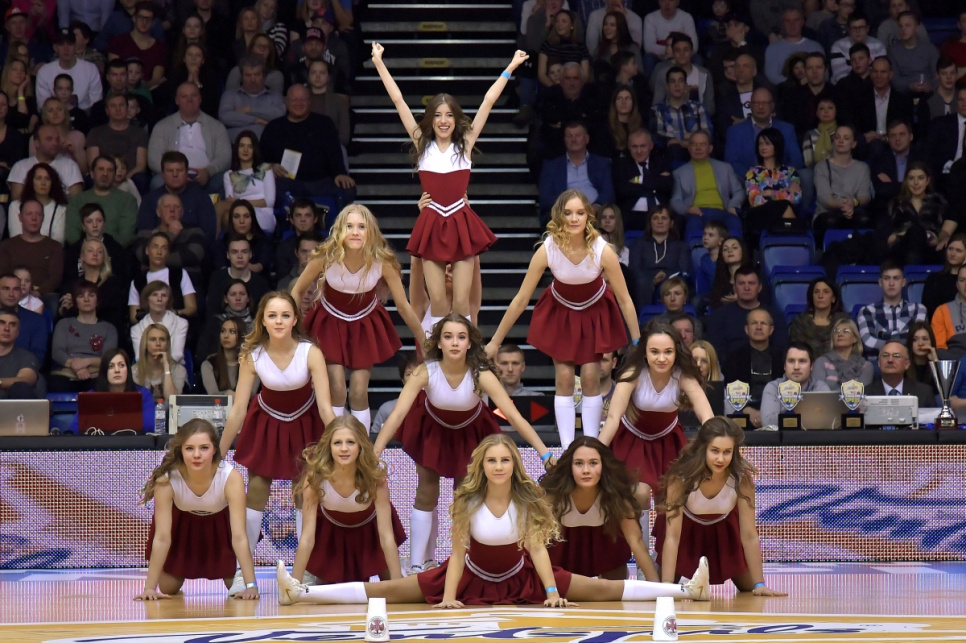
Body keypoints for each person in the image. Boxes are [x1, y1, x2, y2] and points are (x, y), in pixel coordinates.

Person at [277, 433, 711, 606]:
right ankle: (302, 593)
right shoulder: (465, 500)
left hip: (522, 577)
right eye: (492, 461)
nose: (499, 466)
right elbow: (458, 554)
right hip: (468, 576)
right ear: (481, 466)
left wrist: (552, 591)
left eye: (505, 460)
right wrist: (449, 597)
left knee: (600, 589)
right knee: (387, 592)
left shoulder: (528, 498)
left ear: (513, 465)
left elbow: (537, 549)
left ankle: (685, 589)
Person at [373, 314, 553, 573]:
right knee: (426, 491)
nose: (455, 342)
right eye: (448, 337)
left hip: (470, 433)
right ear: (439, 343)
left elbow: (513, 416)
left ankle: (465, 562)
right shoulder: (426, 371)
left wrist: (544, 453)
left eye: (461, 337)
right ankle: (416, 563)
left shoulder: (481, 374)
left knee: (465, 496)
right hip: (433, 430)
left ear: (469, 343)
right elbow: (398, 413)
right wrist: (375, 451)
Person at [371, 43, 520, 323]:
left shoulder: (465, 144)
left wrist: (509, 68)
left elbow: (488, 101)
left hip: (460, 220)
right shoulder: (422, 144)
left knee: (461, 302)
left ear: (456, 118)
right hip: (432, 222)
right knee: (438, 301)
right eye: (438, 115)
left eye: (449, 115)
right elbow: (398, 100)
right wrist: (379, 62)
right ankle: (438, 349)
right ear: (430, 119)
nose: (443, 120)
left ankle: (462, 348)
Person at [486, 190, 639, 447]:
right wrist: (495, 341)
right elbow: (521, 299)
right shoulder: (548, 249)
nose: (574, 218)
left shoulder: (602, 250)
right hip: (562, 313)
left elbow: (625, 300)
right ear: (559, 215)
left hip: (594, 312)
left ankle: (591, 444)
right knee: (565, 378)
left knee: (590, 377)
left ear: (588, 216)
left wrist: (637, 342)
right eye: (568, 213)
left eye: (580, 212)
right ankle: (568, 448)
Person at [218, 291, 335, 594]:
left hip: (305, 422)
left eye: (285, 315)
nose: (279, 321)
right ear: (263, 320)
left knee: (305, 493)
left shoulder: (311, 352)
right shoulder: (252, 355)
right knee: (256, 489)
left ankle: (305, 570)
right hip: (266, 423)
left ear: (295, 319)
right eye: (272, 316)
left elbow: (326, 409)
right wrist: (218, 454)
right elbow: (238, 410)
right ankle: (243, 571)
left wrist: (342, 443)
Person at [291, 204, 424, 430]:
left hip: (364, 324)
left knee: (359, 391)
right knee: (337, 388)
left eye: (361, 227)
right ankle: (334, 440)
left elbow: (403, 306)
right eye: (349, 226)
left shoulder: (383, 262)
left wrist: (424, 338)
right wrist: (293, 328)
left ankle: (361, 444)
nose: (355, 232)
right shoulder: (324, 257)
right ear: (339, 230)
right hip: (330, 322)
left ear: (370, 231)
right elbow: (296, 291)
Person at [655, 417, 787, 595]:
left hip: (723, 531)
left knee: (748, 586)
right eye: (715, 451)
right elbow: (672, 536)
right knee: (663, 584)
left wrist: (759, 584)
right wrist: (666, 586)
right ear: (703, 448)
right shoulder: (681, 478)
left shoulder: (741, 479)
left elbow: (749, 535)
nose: (720, 458)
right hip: (686, 533)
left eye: (727, 452)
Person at [136, 419, 258, 601]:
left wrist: (251, 585)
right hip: (183, 526)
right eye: (189, 448)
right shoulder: (167, 479)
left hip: (220, 526)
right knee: (167, 587)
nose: (197, 455)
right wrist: (149, 588)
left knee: (235, 586)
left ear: (215, 449)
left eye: (204, 448)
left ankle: (240, 576)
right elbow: (162, 537)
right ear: (180, 450)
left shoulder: (231, 478)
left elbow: (239, 536)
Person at [598, 321, 713, 508]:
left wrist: (714, 444)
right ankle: (640, 529)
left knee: (671, 497)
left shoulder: (683, 376)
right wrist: (596, 452)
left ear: (676, 352)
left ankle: (667, 529)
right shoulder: (633, 374)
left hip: (669, 440)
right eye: (655, 352)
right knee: (639, 493)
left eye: (668, 352)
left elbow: (706, 416)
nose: (661, 358)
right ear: (645, 352)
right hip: (632, 441)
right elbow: (613, 418)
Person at [289, 415, 406, 585]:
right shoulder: (315, 479)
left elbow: (386, 536)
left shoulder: (375, 478)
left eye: (350, 442)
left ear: (360, 446)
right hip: (333, 534)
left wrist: (398, 587)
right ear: (329, 447)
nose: (344, 448)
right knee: (324, 590)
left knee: (390, 582)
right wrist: (292, 586)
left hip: (371, 533)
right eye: (337, 443)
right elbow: (307, 538)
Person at [540, 436, 659, 581]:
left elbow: (636, 542)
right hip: (563, 550)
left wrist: (658, 588)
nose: (586, 470)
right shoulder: (553, 497)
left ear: (603, 466)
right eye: (579, 463)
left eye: (593, 463)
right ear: (569, 467)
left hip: (604, 545)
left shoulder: (616, 496)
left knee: (613, 585)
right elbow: (535, 544)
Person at [147, 82, 231, 194]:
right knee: (157, 182)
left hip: (207, 177)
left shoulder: (216, 126)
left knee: (224, 180)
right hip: (173, 176)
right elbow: (153, 159)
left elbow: (225, 157)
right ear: (177, 100)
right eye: (184, 96)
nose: (189, 100)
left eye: (194, 95)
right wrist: (176, 174)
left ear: (200, 99)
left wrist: (208, 171)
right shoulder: (161, 126)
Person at [669, 130, 745, 240]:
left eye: (702, 144)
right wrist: (687, 209)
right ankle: (697, 251)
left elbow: (739, 191)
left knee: (735, 225)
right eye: (694, 144)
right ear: (689, 148)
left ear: (710, 148)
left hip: (724, 211)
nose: (698, 148)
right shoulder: (679, 172)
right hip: (697, 212)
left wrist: (733, 205)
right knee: (694, 228)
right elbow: (675, 200)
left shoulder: (725, 168)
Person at [48, 280, 118, 392]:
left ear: (98, 300)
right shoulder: (63, 324)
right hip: (65, 375)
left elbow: (108, 358)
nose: (86, 300)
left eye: (91, 295)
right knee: (57, 385)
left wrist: (86, 362)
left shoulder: (109, 328)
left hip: (96, 376)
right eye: (81, 296)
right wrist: (76, 367)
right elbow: (57, 352)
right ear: (75, 301)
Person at [720, 308, 784, 429]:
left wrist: (768, 413)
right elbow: (727, 391)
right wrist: (747, 410)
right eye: (754, 323)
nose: (759, 327)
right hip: (742, 413)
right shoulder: (733, 357)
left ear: (771, 330)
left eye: (763, 323)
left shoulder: (782, 357)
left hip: (776, 413)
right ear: (746, 329)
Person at [538, 120, 616, 218]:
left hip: (595, 214)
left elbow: (608, 192)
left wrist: (595, 207)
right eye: (569, 136)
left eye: (578, 135)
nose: (573, 139)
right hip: (564, 215)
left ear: (587, 139)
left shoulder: (602, 163)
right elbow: (546, 197)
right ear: (564, 140)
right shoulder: (551, 166)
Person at [65, 348, 154, 433]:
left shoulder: (143, 394)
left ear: (128, 370)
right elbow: (74, 429)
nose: (117, 370)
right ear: (104, 371)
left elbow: (150, 427)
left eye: (121, 365)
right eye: (111, 366)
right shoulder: (91, 397)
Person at [706, 266, 787, 357]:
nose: (746, 288)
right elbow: (715, 352)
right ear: (734, 287)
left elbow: (780, 350)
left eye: (751, 283)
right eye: (741, 283)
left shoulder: (775, 316)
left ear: (759, 287)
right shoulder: (719, 316)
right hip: (730, 364)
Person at [812, 125, 872, 246]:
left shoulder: (863, 168)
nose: (840, 140)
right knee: (830, 221)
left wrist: (853, 203)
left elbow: (865, 196)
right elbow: (825, 198)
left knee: (865, 220)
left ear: (853, 144)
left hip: (853, 211)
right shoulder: (821, 167)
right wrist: (844, 205)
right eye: (837, 137)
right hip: (827, 212)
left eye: (846, 138)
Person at [743, 127, 803, 247]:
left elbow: (796, 198)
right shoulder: (752, 173)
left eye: (767, 143)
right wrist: (785, 192)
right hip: (760, 215)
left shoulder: (790, 172)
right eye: (760, 144)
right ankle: (791, 246)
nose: (763, 147)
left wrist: (770, 193)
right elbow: (755, 201)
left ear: (777, 145)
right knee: (785, 206)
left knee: (785, 206)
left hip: (781, 214)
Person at [65, 156, 139, 249]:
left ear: (115, 174)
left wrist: (102, 251)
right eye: (101, 169)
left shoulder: (128, 200)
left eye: (110, 170)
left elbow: (126, 238)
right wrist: (91, 250)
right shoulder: (77, 200)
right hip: (82, 252)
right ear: (92, 174)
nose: (105, 174)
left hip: (116, 253)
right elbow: (72, 236)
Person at [885, 161, 951, 266]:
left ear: (927, 180)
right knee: (916, 231)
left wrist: (937, 238)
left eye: (920, 178)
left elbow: (943, 234)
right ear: (906, 181)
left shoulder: (939, 204)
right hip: (902, 251)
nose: (916, 183)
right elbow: (889, 238)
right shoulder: (896, 205)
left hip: (930, 252)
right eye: (911, 178)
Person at [857, 261, 927, 358]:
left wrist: (884, 337)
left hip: (909, 361)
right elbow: (868, 343)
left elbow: (918, 341)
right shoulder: (867, 311)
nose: (891, 283)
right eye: (886, 278)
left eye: (896, 278)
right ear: (880, 282)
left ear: (903, 282)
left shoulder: (918, 309)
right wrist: (903, 339)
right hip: (877, 363)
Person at [84, 93, 149, 193]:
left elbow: (141, 165)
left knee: (141, 178)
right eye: (113, 106)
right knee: (90, 180)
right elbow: (94, 163)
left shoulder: (140, 133)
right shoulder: (95, 133)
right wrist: (110, 178)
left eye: (121, 105)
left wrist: (123, 178)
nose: (118, 109)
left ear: (127, 108)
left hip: (130, 177)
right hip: (104, 175)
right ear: (107, 111)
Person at [648, 66, 712, 165]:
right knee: (673, 149)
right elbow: (657, 136)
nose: (677, 85)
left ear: (686, 85)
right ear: (667, 86)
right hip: (670, 155)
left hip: (697, 151)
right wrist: (686, 137)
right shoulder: (657, 110)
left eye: (680, 81)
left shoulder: (698, 108)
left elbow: (707, 133)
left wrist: (682, 141)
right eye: (673, 81)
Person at [627, 205, 689, 308]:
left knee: (677, 283)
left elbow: (684, 270)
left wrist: (666, 276)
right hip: (644, 281)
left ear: (671, 223)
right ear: (650, 222)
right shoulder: (638, 244)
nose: (660, 222)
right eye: (655, 218)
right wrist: (651, 280)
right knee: (641, 282)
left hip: (671, 279)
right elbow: (634, 269)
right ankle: (643, 317)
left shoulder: (681, 246)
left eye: (664, 218)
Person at [612, 129, 673, 230]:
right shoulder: (621, 165)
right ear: (629, 147)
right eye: (634, 146)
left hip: (661, 213)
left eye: (643, 146)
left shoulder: (661, 162)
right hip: (633, 214)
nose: (639, 151)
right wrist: (655, 185)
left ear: (651, 146)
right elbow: (623, 190)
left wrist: (640, 180)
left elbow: (667, 185)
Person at [760, 343, 832, 428]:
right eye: (791, 361)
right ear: (784, 366)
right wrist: (810, 416)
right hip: (782, 437)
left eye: (802, 361)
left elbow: (828, 421)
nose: (796, 367)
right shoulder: (773, 387)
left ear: (811, 366)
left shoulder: (820, 387)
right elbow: (768, 423)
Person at [218, 54, 286, 141]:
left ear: (264, 76)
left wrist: (249, 110)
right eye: (248, 75)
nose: (252, 80)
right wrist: (257, 120)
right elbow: (224, 116)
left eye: (257, 74)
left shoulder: (275, 96)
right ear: (241, 77)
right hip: (234, 145)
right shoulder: (230, 95)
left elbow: (280, 114)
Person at [35, 28, 102, 111]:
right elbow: (43, 106)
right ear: (55, 47)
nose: (66, 48)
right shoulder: (44, 72)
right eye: (61, 44)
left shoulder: (91, 69)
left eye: (70, 44)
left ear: (75, 46)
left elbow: (96, 104)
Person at [107, 2, 168, 91]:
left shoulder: (160, 48)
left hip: (148, 92)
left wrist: (140, 88)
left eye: (148, 19)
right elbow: (114, 72)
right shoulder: (118, 42)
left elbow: (156, 79)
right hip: (120, 91)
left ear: (153, 22)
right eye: (141, 17)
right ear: (134, 18)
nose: (144, 22)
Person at [6, 163, 69, 244]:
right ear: (31, 181)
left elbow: (58, 242)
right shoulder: (16, 206)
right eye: (38, 178)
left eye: (47, 179)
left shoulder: (61, 209)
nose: (43, 183)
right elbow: (16, 239)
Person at [866, 340, 935, 411]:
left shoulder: (924, 393)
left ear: (907, 364)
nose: (890, 360)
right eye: (885, 355)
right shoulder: (865, 394)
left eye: (896, 356)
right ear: (879, 363)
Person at [789, 277, 848, 359]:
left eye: (826, 292)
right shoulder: (800, 322)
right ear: (812, 297)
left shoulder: (843, 321)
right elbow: (796, 351)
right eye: (816, 292)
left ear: (833, 298)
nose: (820, 296)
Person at [131, 281, 188, 365]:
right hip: (147, 369)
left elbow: (177, 355)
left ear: (168, 300)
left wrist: (162, 368)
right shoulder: (136, 329)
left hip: (173, 368)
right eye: (155, 295)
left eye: (164, 295)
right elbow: (139, 357)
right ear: (147, 299)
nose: (159, 299)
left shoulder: (181, 323)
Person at [763, 8, 823, 85]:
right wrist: (796, 83)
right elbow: (772, 76)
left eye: (796, 20)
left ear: (802, 22)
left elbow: (823, 74)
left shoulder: (815, 47)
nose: (792, 24)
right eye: (787, 21)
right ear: (783, 24)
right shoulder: (772, 49)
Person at [812, 317, 875, 390]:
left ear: (855, 338)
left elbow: (862, 393)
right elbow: (817, 392)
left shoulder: (865, 366)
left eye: (846, 331)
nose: (840, 334)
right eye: (836, 331)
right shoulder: (821, 362)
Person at [888, 11, 938, 96]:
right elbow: (894, 79)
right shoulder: (893, 51)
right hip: (903, 96)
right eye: (900, 26)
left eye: (907, 25)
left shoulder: (930, 48)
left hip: (929, 95)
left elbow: (937, 75)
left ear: (917, 28)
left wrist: (930, 86)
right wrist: (910, 85)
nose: (903, 29)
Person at [133, 323, 187, 398]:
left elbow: (172, 400)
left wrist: (166, 367)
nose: (158, 344)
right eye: (153, 339)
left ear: (167, 344)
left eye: (162, 339)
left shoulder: (178, 370)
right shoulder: (134, 371)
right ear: (145, 343)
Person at [371, 353, 420, 435]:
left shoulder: (435, 407)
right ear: (403, 380)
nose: (413, 377)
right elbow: (374, 437)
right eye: (408, 374)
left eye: (418, 373)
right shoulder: (387, 409)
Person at [0, 307, 41, 400]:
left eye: (12, 325)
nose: (7, 328)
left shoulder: (27, 357)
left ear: (17, 332)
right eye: (2, 323)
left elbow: (26, 380)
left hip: (12, 406)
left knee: (21, 387)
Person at [922, 234, 966, 318]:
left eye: (958, 251)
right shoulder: (933, 279)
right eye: (950, 249)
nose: (953, 253)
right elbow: (929, 312)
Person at [708, 236, 749, 310]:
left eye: (734, 248)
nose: (730, 251)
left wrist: (742, 299)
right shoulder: (719, 281)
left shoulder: (754, 276)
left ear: (742, 251)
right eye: (725, 249)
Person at [905, 320, 939, 397]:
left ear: (931, 341)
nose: (920, 343)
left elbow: (942, 392)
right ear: (910, 343)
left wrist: (935, 361)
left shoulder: (937, 363)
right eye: (915, 340)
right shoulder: (904, 366)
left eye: (925, 339)